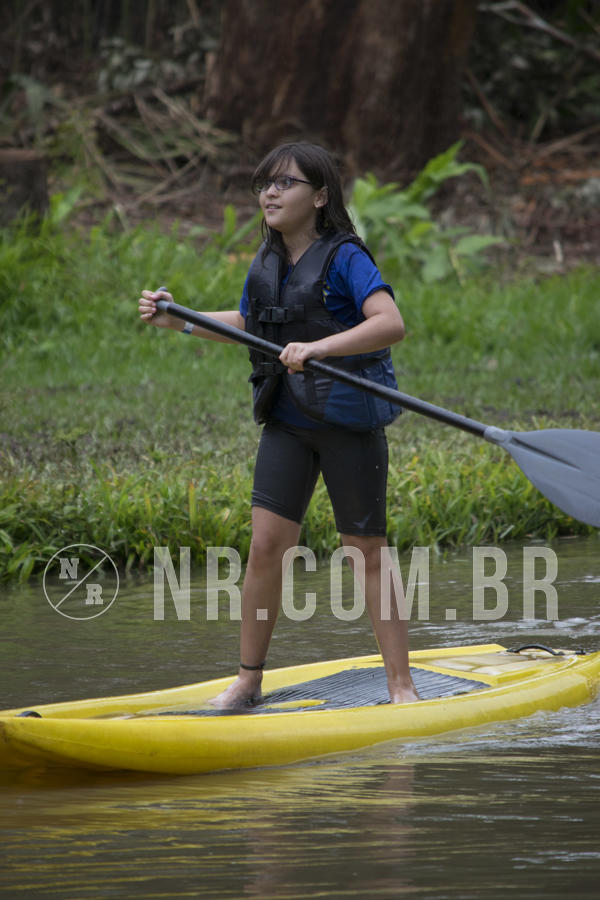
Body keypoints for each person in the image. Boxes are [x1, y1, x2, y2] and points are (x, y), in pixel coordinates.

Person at [138, 141, 419, 707]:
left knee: (364, 548)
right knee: (266, 545)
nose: (269, 192)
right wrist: (180, 319)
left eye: (284, 183)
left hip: (347, 425)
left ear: (319, 196)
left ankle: (401, 687)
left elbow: (390, 323)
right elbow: (249, 322)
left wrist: (319, 349)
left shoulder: (346, 258)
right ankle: (248, 680)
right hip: (287, 422)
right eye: (264, 183)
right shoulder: (266, 262)